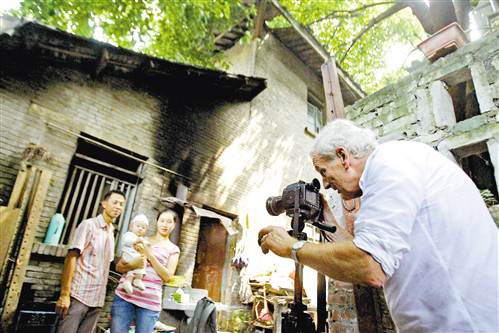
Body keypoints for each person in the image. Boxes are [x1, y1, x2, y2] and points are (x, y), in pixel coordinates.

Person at [258, 119, 498, 332]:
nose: (326, 184)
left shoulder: (389, 163)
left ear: (343, 157)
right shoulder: (396, 166)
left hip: (466, 323)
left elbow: (368, 266)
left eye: (324, 171)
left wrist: (293, 247)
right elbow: (366, 257)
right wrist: (326, 220)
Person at [55, 189, 126, 333]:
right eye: (115, 202)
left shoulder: (111, 232)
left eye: (122, 204)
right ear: (104, 204)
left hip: (97, 299)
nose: (118, 206)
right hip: (79, 295)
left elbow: (108, 265)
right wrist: (64, 294)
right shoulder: (88, 225)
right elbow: (71, 257)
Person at [111, 208, 180, 333]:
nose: (165, 224)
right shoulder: (139, 239)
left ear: (174, 225)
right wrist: (134, 264)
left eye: (169, 222)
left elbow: (168, 277)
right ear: (157, 222)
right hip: (125, 296)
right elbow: (119, 267)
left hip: (150, 302)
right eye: (162, 221)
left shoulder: (173, 249)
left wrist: (149, 254)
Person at [120, 214, 149, 295]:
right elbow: (126, 241)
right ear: (131, 226)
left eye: (143, 228)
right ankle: (128, 282)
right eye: (138, 226)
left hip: (135, 256)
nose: (140, 228)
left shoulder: (142, 238)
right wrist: (135, 241)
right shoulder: (129, 235)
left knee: (142, 263)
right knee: (132, 269)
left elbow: (145, 246)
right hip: (128, 256)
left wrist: (146, 244)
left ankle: (137, 280)